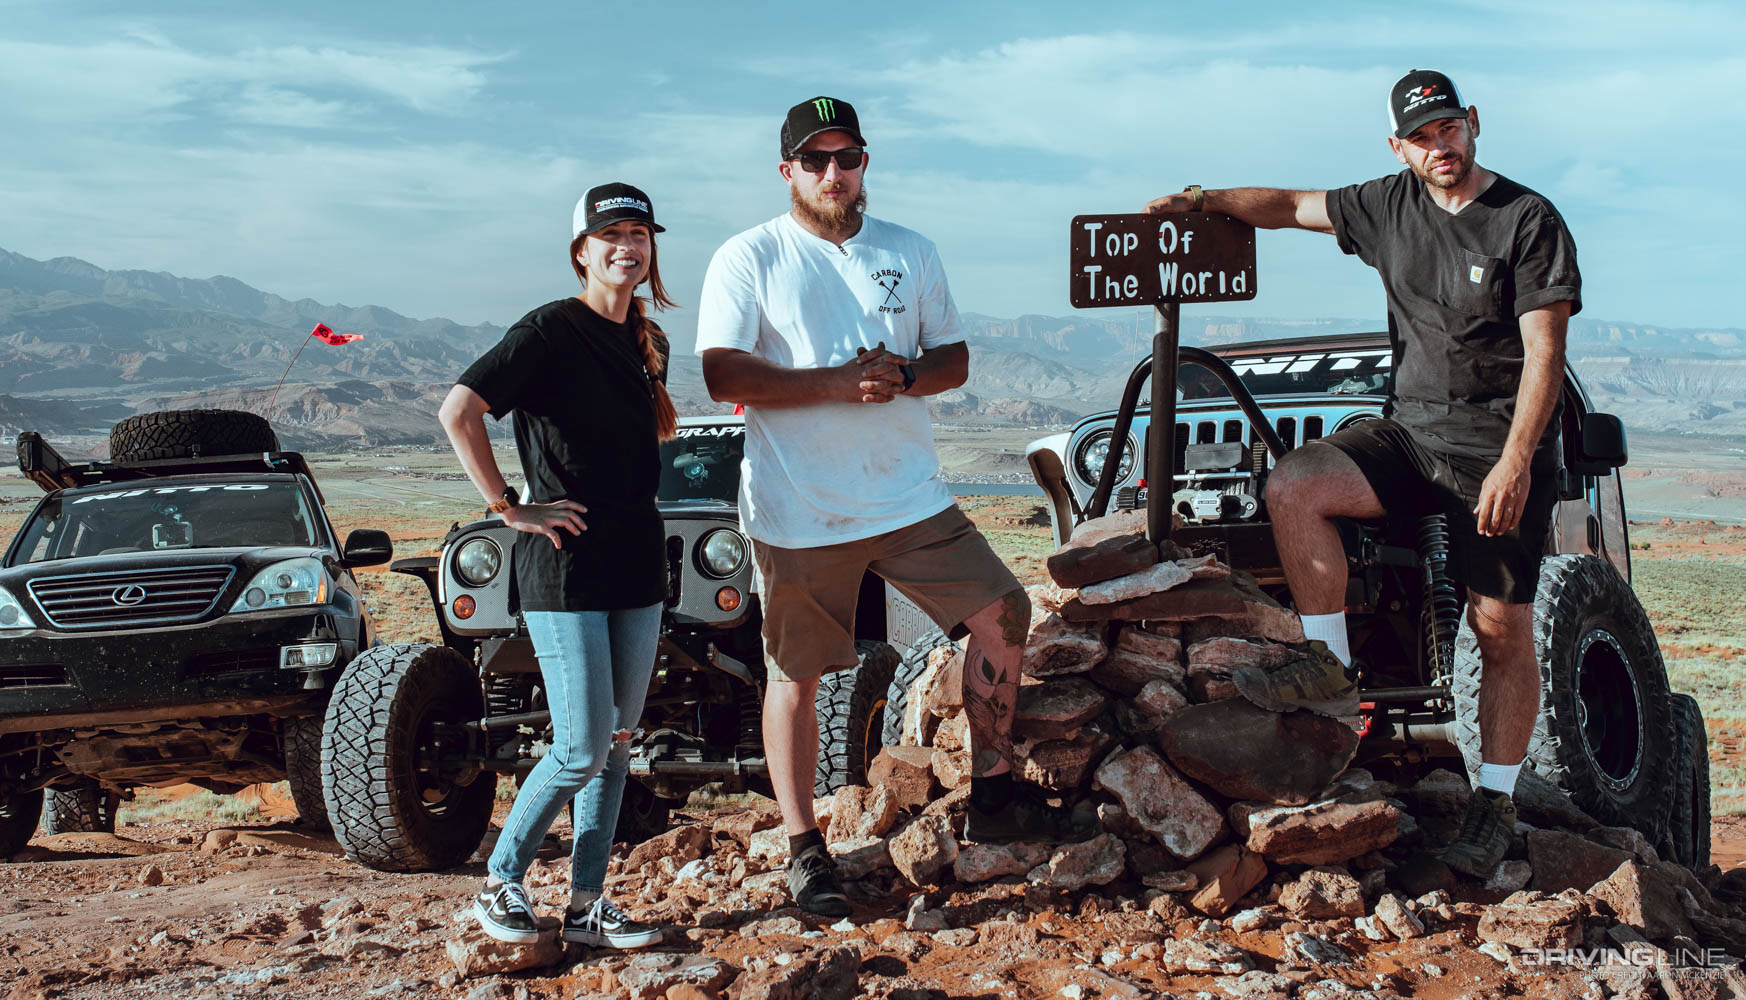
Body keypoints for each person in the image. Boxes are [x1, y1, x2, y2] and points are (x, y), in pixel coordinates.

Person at [1145, 70, 1580, 877]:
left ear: (1473, 124)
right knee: (1297, 486)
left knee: (1500, 631)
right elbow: (1287, 206)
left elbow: (1546, 353)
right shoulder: (1388, 205)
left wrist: (1518, 461)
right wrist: (1205, 200)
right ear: (1399, 147)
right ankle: (1331, 666)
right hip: (1412, 435)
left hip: (1496, 449)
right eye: (1420, 136)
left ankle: (1494, 799)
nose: (1438, 146)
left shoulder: (1527, 219)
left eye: (1448, 128)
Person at [697, 96, 1098, 918]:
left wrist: (907, 376)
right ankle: (807, 849)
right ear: (788, 173)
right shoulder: (751, 256)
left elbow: (952, 357)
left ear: (865, 164)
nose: (833, 173)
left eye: (847, 157)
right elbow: (724, 377)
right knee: (796, 677)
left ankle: (993, 795)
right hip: (800, 510)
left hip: (908, 497)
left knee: (1002, 612)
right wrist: (837, 384)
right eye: (815, 161)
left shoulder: (909, 251)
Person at [438, 182, 676, 948]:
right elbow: (459, 411)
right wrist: (510, 506)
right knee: (578, 744)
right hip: (565, 568)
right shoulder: (548, 331)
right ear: (581, 250)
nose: (627, 247)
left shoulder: (649, 342)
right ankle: (501, 882)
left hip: (637, 567)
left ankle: (585, 909)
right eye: (612, 235)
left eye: (639, 233)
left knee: (614, 748)